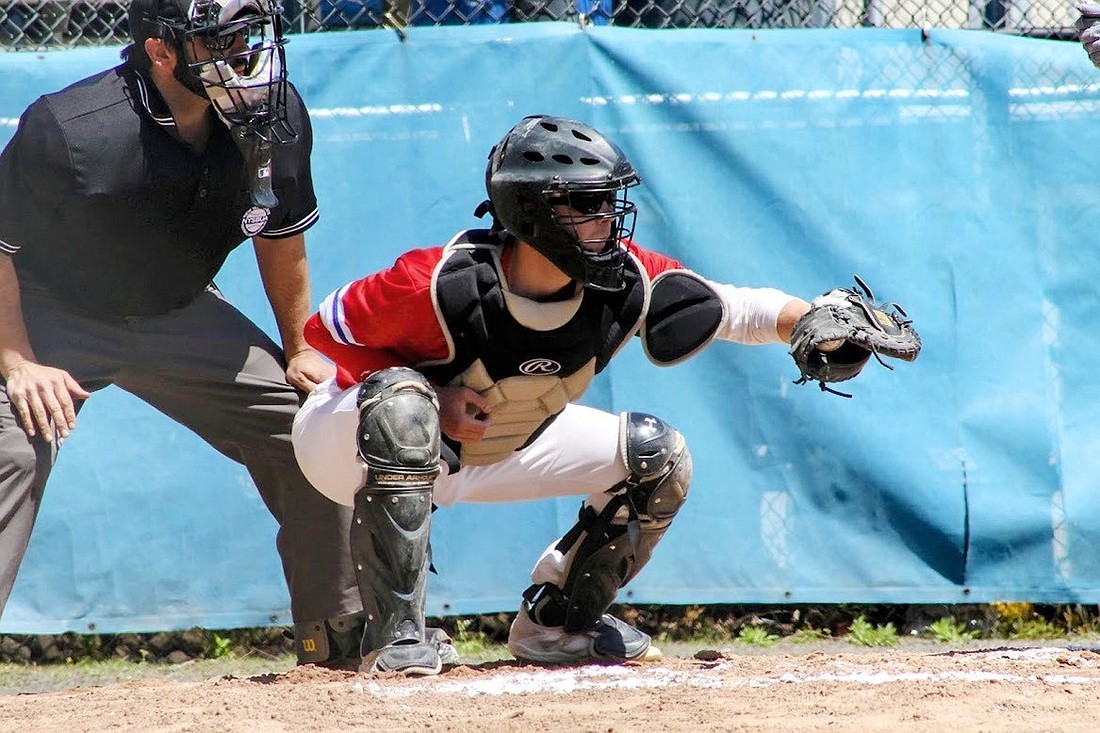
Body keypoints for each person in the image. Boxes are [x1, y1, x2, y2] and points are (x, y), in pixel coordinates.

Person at [290, 114, 825, 676]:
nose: (608, 221)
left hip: (490, 445)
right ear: (534, 212)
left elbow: (732, 307)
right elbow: (326, 333)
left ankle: (558, 626)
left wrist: (810, 320)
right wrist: (437, 395)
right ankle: (396, 638)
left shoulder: (625, 278)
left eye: (607, 203)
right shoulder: (437, 282)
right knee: (405, 407)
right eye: (589, 205)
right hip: (346, 446)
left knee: (657, 458)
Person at [0, 0, 364, 667]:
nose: (245, 54)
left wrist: (300, 346)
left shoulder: (273, 114)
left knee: (312, 426)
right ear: (163, 53)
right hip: (51, 309)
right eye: (221, 40)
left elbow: (279, 235)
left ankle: (337, 636)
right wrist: (17, 359)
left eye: (250, 35)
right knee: (13, 448)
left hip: (180, 309)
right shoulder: (73, 128)